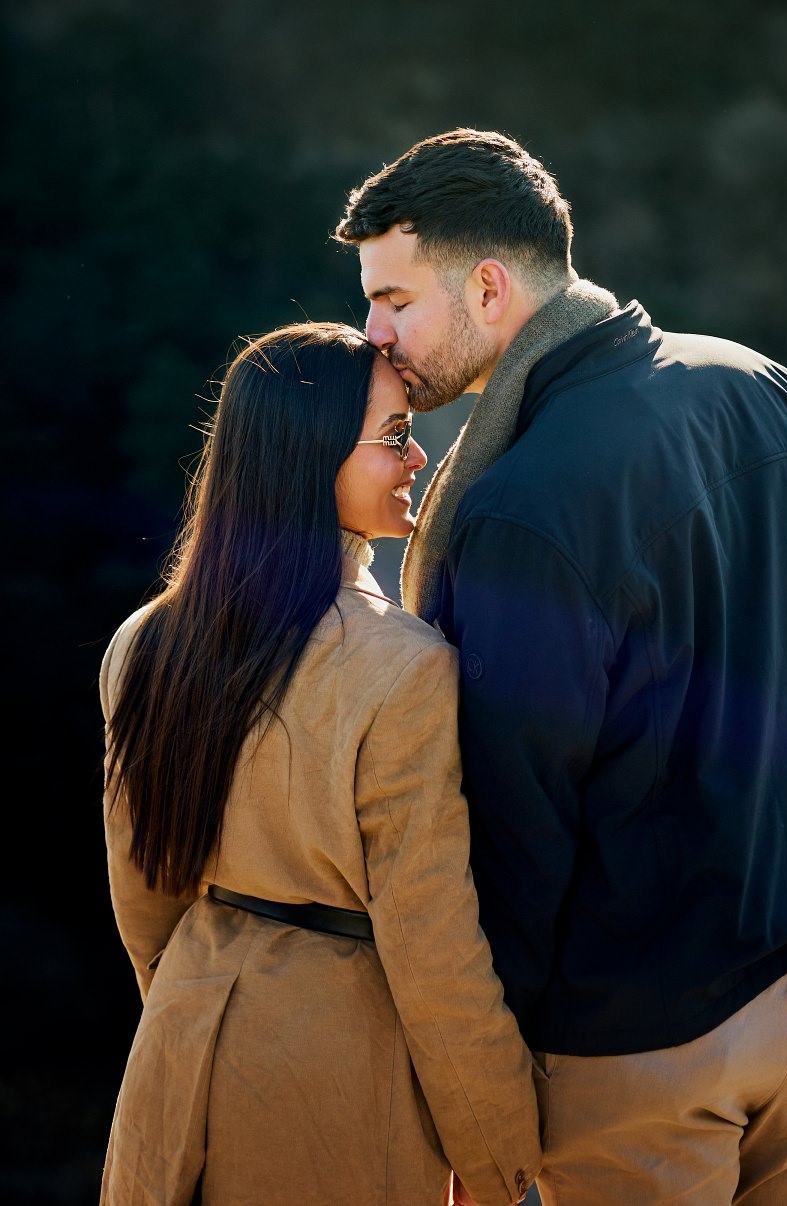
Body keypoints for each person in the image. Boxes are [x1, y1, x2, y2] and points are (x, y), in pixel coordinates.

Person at [335, 130, 787, 1206]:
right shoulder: (770, 388)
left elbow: (515, 826)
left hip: (648, 1048)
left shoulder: (519, 506)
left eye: (395, 299)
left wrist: (485, 1101)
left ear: (491, 285)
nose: (377, 333)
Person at [99, 322, 540, 1206]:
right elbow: (432, 944)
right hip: (334, 1076)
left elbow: (142, 904)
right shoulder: (405, 666)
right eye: (390, 435)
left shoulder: (144, 641)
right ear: (309, 456)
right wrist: (505, 1165)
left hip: (174, 1056)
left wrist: (200, 1002)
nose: (418, 455)